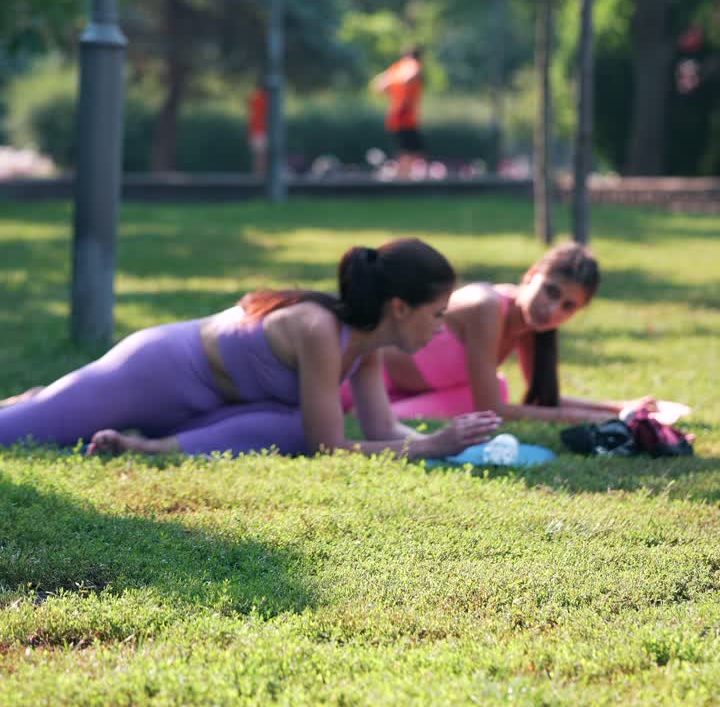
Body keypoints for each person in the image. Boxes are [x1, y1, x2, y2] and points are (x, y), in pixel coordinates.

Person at [0, 239, 500, 459]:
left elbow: (381, 430)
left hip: (203, 411)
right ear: (399, 306)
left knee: (289, 427)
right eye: (437, 314)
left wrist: (452, 442)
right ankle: (46, 403)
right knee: (18, 433)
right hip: (156, 372)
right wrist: (433, 446)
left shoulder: (367, 348)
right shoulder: (321, 330)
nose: (441, 328)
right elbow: (331, 450)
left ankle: (148, 446)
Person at [344, 242, 657, 425]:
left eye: (568, 307)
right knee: (496, 396)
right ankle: (369, 411)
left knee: (501, 387)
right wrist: (599, 420)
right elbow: (491, 409)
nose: (552, 310)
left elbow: (543, 399)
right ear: (531, 275)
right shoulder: (488, 307)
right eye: (550, 291)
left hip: (411, 392)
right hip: (364, 377)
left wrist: (619, 407)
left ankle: (377, 413)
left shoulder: (531, 327)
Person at [370, 46, 425, 179]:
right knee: (411, 152)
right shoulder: (412, 65)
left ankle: (402, 177)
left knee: (406, 150)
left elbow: (377, 86)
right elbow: (411, 75)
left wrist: (395, 87)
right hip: (404, 116)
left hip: (395, 117)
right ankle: (403, 179)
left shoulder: (395, 69)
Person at [247, 81, 269, 180]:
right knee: (261, 156)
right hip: (262, 130)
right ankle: (260, 176)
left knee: (257, 156)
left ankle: (257, 175)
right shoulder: (266, 99)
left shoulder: (254, 97)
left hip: (255, 130)